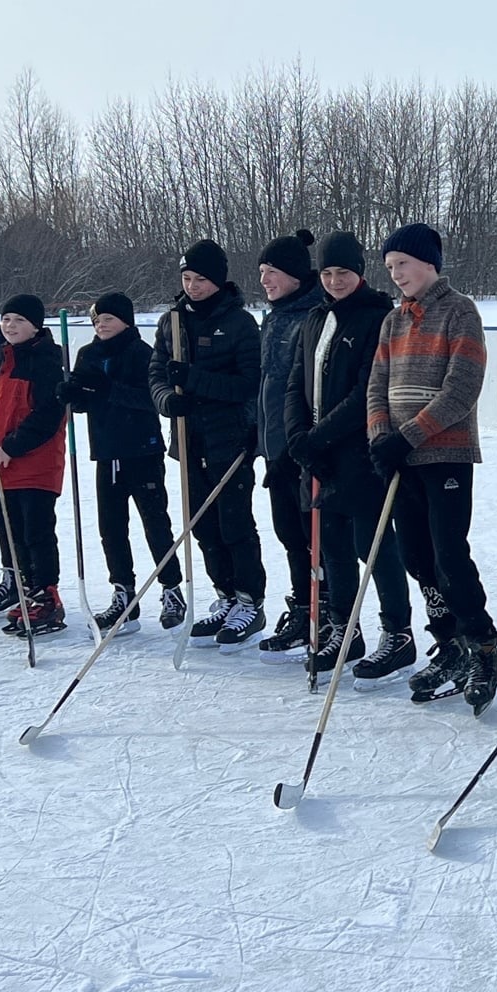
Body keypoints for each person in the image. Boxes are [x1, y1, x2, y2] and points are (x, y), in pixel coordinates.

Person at [366, 224, 497, 711]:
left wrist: (409, 435)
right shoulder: (393, 321)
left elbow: (462, 389)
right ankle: (449, 642)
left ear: (428, 263)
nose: (396, 274)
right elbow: (376, 384)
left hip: (445, 454)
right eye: (390, 267)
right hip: (401, 456)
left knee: (448, 555)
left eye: (403, 264)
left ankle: (481, 643)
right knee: (416, 556)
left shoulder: (460, 311)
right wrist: (381, 437)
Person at [286, 234, 414, 681]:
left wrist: (320, 437)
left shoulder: (377, 316)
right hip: (318, 454)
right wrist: (298, 437)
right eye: (327, 273)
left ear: (359, 272)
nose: (335, 280)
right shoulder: (314, 318)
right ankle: (344, 627)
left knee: (372, 543)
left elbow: (367, 391)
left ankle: (398, 630)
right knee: (332, 546)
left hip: (360, 449)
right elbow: (295, 383)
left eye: (343, 272)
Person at [151, 241, 267, 647]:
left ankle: (250, 599)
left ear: (218, 280)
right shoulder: (172, 322)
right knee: (201, 525)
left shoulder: (239, 323)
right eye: (187, 278)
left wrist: (195, 380)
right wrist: (168, 399)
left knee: (233, 521)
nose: (193, 286)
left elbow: (249, 384)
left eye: (201, 279)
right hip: (188, 439)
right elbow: (157, 373)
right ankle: (225, 594)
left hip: (230, 438)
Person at [65, 292, 182, 633]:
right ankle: (123, 593)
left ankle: (171, 588)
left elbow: (148, 400)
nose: (101, 325)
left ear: (126, 322)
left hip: (141, 449)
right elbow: (87, 398)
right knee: (111, 527)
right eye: (97, 319)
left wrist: (106, 389)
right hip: (106, 451)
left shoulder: (140, 353)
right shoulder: (88, 354)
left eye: (109, 319)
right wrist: (73, 396)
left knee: (155, 522)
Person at [253, 229, 326, 653]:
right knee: (288, 535)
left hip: (303, 447)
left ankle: (327, 610)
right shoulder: (274, 317)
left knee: (312, 535)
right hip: (275, 449)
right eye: (262, 272)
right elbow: (264, 384)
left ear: (296, 275)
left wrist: (305, 440)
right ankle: (302, 606)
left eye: (272, 272)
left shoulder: (312, 315)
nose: (264, 280)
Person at [0, 293, 69, 637]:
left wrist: (12, 447)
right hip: (2, 462)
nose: (10, 326)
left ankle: (48, 595)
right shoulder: (1, 358)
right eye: (6, 320)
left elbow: (48, 415)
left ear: (35, 325)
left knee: (37, 531)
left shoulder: (47, 360)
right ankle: (29, 590)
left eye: (18, 320)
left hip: (35, 461)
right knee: (11, 532)